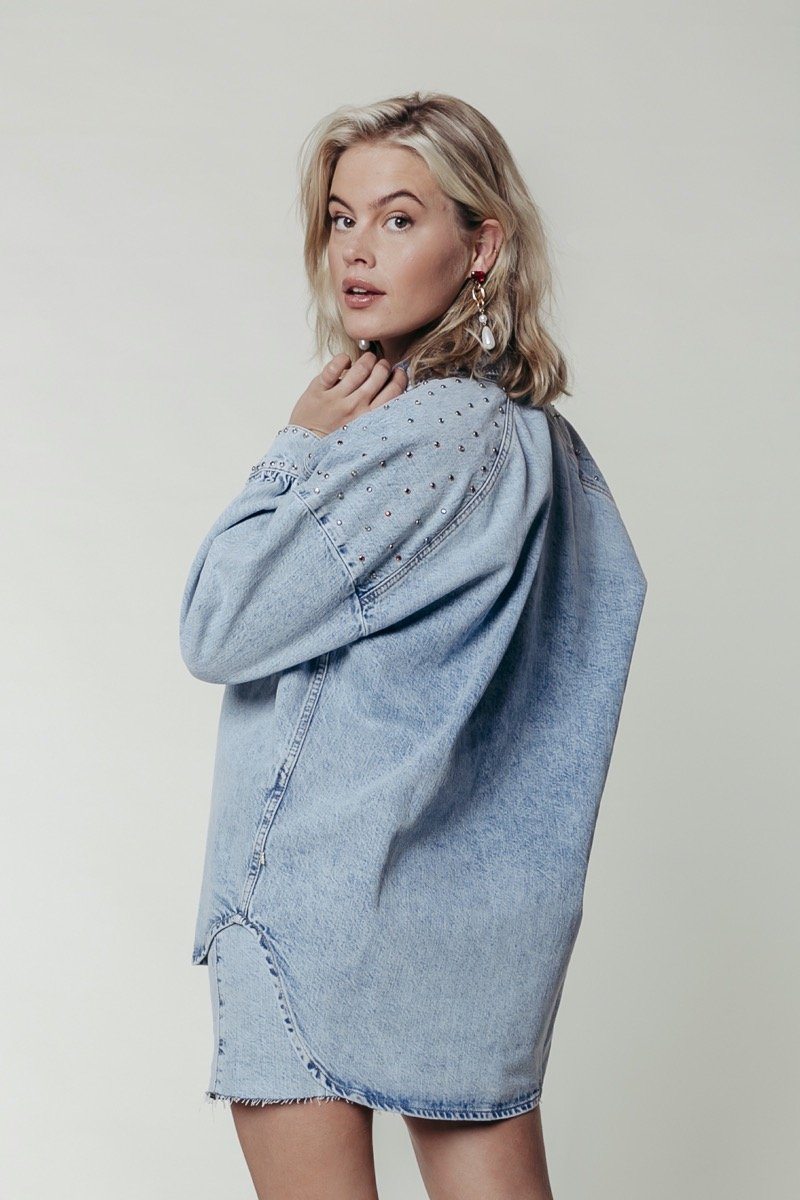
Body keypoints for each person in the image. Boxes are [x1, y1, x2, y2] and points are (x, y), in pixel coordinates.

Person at [179, 90, 648, 1200]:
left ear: (480, 246)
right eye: (342, 218)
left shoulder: (409, 437)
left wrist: (296, 447)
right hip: (476, 926)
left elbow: (216, 624)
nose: (356, 250)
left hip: (307, 910)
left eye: (399, 218)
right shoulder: (545, 448)